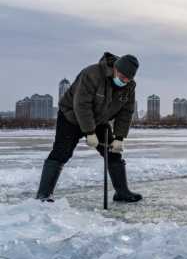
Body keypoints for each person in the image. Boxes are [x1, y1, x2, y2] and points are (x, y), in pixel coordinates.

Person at [36, 53, 142, 202]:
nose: (124, 81)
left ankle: (122, 192)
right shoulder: (92, 74)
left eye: (128, 79)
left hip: (99, 120)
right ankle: (44, 195)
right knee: (62, 153)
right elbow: (81, 105)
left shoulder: (129, 87)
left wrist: (119, 137)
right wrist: (89, 132)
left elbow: (126, 113)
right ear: (115, 69)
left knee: (113, 153)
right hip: (71, 116)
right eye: (123, 76)